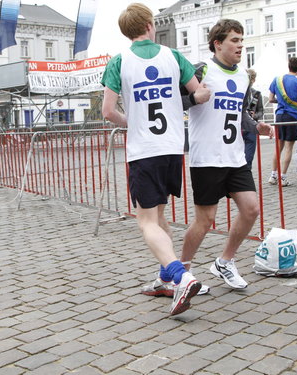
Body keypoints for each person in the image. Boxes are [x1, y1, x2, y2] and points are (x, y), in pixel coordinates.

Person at [101, 3, 211, 315]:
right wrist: (184, 101)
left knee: (145, 220)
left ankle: (181, 275)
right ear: (150, 24)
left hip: (144, 149)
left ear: (126, 32)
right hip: (173, 148)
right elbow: (200, 93)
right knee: (159, 214)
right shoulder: (174, 56)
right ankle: (166, 278)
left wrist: (130, 120)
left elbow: (108, 111)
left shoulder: (119, 62)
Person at [176, 19, 272, 290]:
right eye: (234, 40)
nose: (241, 45)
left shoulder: (242, 76)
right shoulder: (201, 70)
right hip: (207, 158)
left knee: (251, 209)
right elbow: (174, 101)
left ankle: (224, 261)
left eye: (242, 40)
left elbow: (239, 113)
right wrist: (194, 99)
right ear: (218, 44)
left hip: (235, 157)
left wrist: (256, 126)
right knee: (205, 221)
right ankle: (180, 273)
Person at [268, 57, 297, 186]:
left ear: (288, 66)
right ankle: (283, 177)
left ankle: (273, 175)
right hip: (292, 116)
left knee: (278, 147)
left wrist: (281, 101)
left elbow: (270, 98)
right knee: (289, 147)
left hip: (279, 116)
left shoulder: (277, 79)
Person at [243, 69, 264, 169]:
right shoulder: (239, 91)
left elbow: (261, 111)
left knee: (249, 157)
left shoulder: (256, 94)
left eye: (251, 79)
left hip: (251, 127)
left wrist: (255, 116)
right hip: (239, 127)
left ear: (254, 80)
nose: (249, 81)